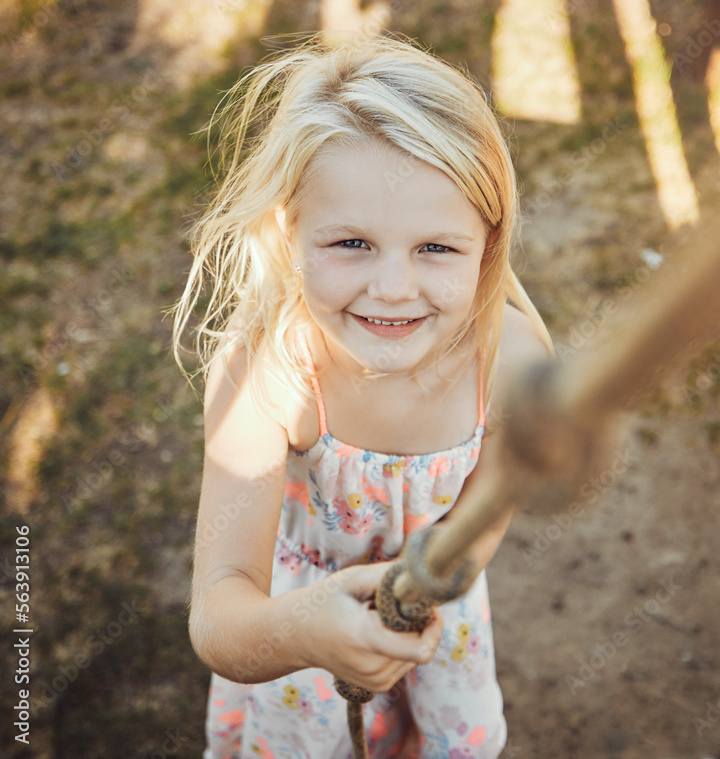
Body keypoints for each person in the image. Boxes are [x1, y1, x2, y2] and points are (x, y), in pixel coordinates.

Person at [171, 35, 553, 759]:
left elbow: (492, 503)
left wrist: (447, 567)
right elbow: (220, 615)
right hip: (297, 633)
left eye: (436, 248)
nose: (392, 289)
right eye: (350, 243)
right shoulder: (270, 375)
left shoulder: (511, 363)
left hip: (437, 615)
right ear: (290, 233)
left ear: (487, 242)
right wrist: (306, 629)